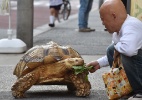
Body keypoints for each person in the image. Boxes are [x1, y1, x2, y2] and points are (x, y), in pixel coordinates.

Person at [86, 0, 142, 99]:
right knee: (111, 49)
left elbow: (129, 50)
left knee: (124, 52)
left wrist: (117, 48)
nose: (102, 23)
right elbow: (114, 53)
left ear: (114, 16)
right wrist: (99, 63)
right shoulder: (118, 32)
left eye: (103, 19)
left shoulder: (131, 25)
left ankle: (140, 91)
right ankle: (129, 88)